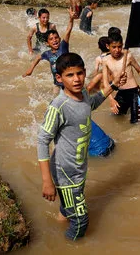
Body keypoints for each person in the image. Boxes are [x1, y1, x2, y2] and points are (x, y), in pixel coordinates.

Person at [36, 52, 125, 241]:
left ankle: (56, 231)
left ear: (85, 73)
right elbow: (42, 140)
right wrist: (47, 181)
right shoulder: (58, 106)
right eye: (70, 75)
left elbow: (91, 104)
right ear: (59, 78)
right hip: (65, 173)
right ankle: (69, 246)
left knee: (68, 208)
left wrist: (114, 85)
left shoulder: (83, 94)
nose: (76, 79)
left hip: (78, 168)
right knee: (80, 220)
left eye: (79, 73)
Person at [102, 33, 140, 123]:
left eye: (119, 47)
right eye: (114, 47)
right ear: (107, 46)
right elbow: (105, 83)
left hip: (135, 93)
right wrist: (111, 99)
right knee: (116, 117)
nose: (117, 50)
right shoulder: (105, 61)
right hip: (121, 93)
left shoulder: (128, 56)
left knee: (136, 122)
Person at [23, 11, 75, 91]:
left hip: (69, 82)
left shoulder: (63, 47)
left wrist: (71, 19)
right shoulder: (47, 54)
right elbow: (38, 58)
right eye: (51, 39)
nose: (54, 40)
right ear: (47, 43)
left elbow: (68, 31)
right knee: (54, 98)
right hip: (57, 84)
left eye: (56, 38)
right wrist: (30, 70)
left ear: (60, 39)